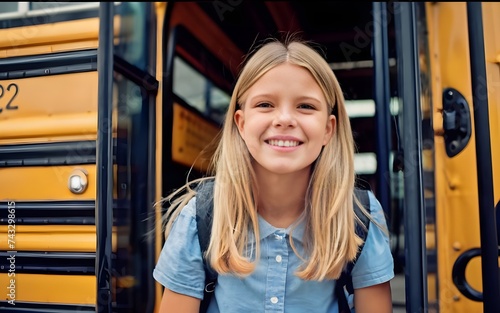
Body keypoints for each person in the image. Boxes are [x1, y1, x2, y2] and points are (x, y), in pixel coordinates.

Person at [153, 37, 394, 313]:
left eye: (305, 106)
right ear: (241, 124)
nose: (284, 119)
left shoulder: (358, 216)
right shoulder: (201, 216)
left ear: (328, 129)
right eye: (265, 104)